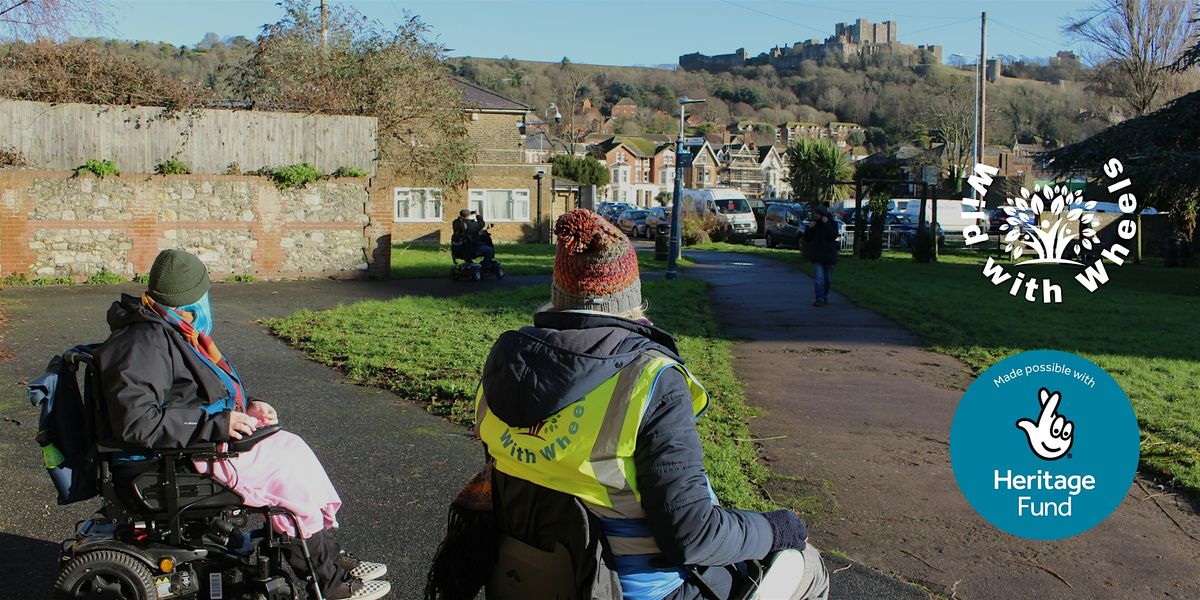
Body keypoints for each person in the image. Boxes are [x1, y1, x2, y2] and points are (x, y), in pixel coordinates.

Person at [472, 210, 829, 600]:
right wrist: (779, 528)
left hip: (527, 579)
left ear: (557, 292)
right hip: (632, 591)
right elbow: (694, 536)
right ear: (630, 299)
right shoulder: (650, 380)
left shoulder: (503, 367)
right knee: (807, 567)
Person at [95, 249, 390, 600]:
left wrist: (248, 406)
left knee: (291, 448)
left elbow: (190, 392)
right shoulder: (142, 343)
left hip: (191, 441)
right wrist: (216, 423)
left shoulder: (169, 330)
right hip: (170, 458)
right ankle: (326, 580)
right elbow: (137, 422)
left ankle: (328, 553)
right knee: (287, 475)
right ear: (191, 296)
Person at [803, 204, 839, 307]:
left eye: (817, 214)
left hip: (829, 255)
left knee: (827, 279)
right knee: (819, 278)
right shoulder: (814, 225)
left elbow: (833, 235)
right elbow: (807, 238)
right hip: (818, 255)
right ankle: (819, 298)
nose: (816, 216)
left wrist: (827, 224)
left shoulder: (832, 223)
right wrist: (809, 228)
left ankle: (824, 294)